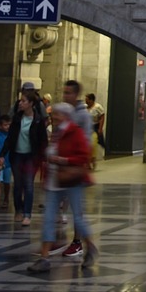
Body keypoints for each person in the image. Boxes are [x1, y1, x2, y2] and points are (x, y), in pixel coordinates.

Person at [29, 104, 96, 273]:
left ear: (65, 115)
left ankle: (91, 246)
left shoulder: (74, 131)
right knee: (49, 218)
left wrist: (61, 160)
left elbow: (83, 156)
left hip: (72, 181)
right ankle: (44, 258)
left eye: (57, 114)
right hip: (55, 181)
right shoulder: (56, 132)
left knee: (78, 218)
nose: (54, 116)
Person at [59, 79, 95, 259]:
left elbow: (86, 142)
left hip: (74, 168)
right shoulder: (66, 112)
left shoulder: (83, 116)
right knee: (56, 208)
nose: (65, 96)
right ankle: (49, 245)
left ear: (76, 95)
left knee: (76, 210)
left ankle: (80, 243)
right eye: (64, 92)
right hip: (61, 167)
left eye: (68, 93)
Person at [2, 89, 48, 226]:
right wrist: (2, 154)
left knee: (28, 185)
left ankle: (27, 214)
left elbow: (43, 140)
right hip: (17, 155)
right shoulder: (17, 119)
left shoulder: (38, 120)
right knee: (17, 185)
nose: (20, 103)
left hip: (31, 157)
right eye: (20, 101)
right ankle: (18, 209)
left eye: (23, 101)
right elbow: (10, 138)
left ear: (31, 103)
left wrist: (44, 157)